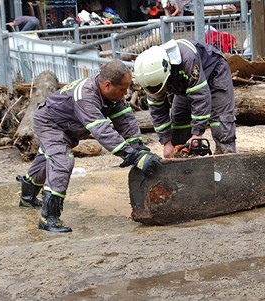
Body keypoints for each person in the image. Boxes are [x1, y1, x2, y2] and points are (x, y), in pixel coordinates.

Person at [17, 60, 161, 233]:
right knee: (62, 161)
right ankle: (49, 217)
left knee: (46, 158)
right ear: (107, 85)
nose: (125, 94)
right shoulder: (86, 96)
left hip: (68, 125)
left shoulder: (110, 94)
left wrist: (138, 148)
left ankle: (27, 196)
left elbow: (125, 121)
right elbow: (102, 131)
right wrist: (132, 156)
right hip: (50, 123)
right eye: (123, 89)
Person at [133, 38, 236, 159]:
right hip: (185, 84)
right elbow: (157, 109)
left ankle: (226, 160)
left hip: (214, 73)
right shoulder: (151, 74)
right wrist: (167, 142)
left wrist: (197, 134)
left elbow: (200, 95)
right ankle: (185, 161)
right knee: (179, 120)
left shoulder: (187, 58)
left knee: (221, 121)